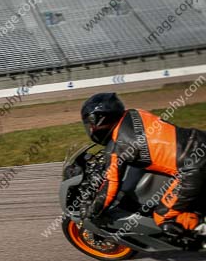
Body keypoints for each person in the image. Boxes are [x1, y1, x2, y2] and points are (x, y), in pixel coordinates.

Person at [80, 92, 206, 238]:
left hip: (194, 167)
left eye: (90, 124)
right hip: (199, 138)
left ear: (100, 121)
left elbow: (110, 186)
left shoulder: (116, 148)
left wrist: (92, 211)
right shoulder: (136, 113)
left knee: (162, 217)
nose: (90, 128)